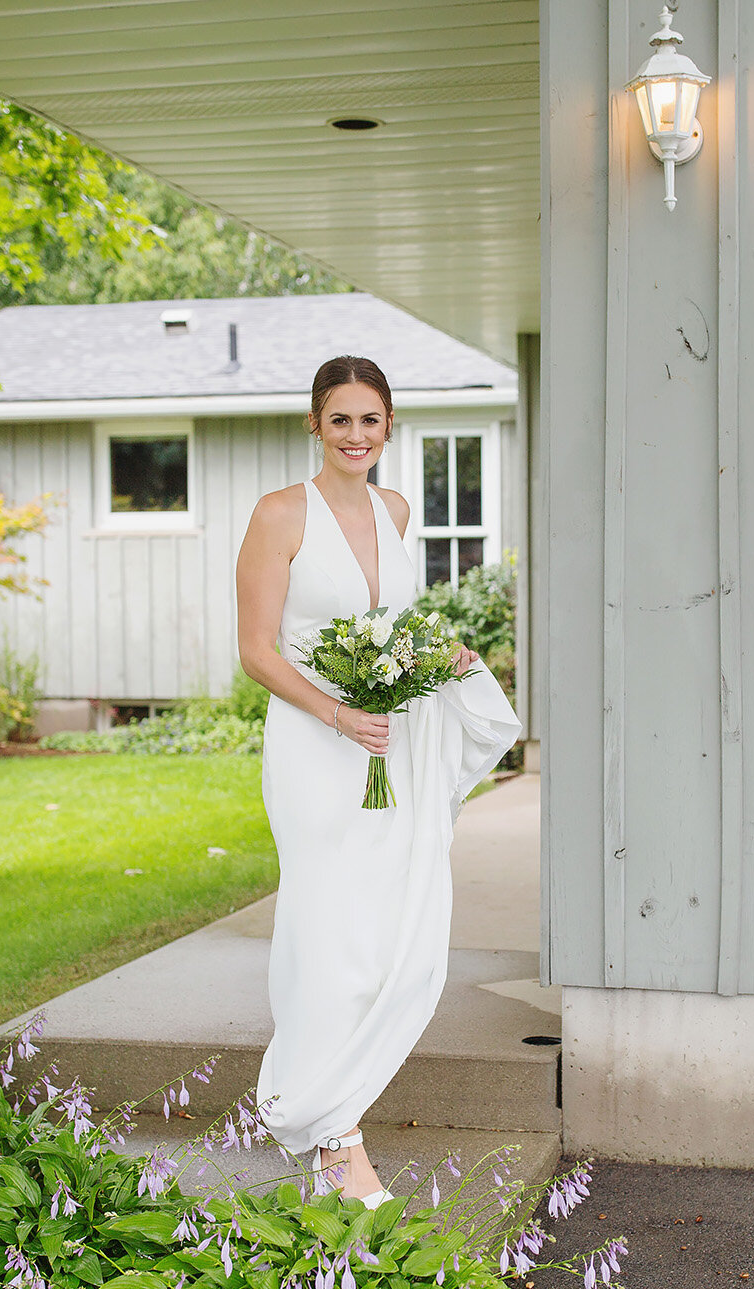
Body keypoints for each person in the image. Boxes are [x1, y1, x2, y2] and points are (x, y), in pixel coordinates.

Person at [234, 356, 522, 1206]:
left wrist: (443, 657)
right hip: (316, 745)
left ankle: (337, 1110)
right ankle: (335, 1138)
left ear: (389, 425)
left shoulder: (396, 510)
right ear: (314, 427)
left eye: (370, 419)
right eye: (340, 420)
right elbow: (257, 649)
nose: (356, 435)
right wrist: (334, 716)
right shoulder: (280, 514)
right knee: (327, 928)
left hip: (388, 744)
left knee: (386, 923)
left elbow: (397, 627)